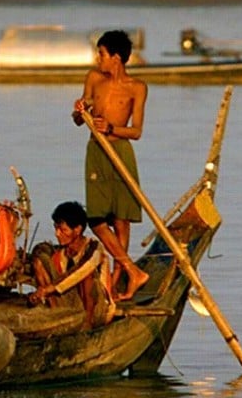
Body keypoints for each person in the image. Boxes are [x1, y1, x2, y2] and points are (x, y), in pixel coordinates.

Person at [73, 29, 150, 301]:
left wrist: (113, 127)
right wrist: (80, 111)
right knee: (96, 218)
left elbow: (137, 131)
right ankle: (132, 268)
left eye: (102, 54)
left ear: (116, 58)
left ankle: (120, 281)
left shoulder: (137, 87)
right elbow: (79, 118)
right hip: (97, 151)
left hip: (120, 151)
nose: (98, 59)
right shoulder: (94, 78)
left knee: (121, 219)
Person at [26, 201, 115, 327]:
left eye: (63, 230)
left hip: (98, 310)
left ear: (77, 229)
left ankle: (87, 325)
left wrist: (50, 288)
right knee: (40, 261)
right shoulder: (61, 253)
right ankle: (55, 317)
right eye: (56, 229)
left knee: (86, 275)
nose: (57, 234)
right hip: (71, 306)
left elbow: (83, 269)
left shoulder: (94, 247)